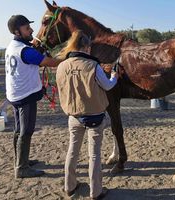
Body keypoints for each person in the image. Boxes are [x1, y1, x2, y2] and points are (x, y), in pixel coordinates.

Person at [56, 30, 118, 200]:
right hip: (94, 116)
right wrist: (114, 76)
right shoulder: (93, 66)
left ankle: (70, 186)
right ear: (86, 47)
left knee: (72, 151)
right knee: (95, 154)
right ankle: (96, 191)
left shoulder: (62, 65)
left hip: (73, 116)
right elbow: (107, 86)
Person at [5, 14, 62, 178]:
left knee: (18, 129)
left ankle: (20, 160)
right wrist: (66, 58)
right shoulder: (25, 51)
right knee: (26, 130)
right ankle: (22, 168)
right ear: (17, 31)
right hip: (25, 96)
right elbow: (49, 62)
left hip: (15, 95)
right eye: (26, 28)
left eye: (29, 27)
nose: (30, 30)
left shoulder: (13, 46)